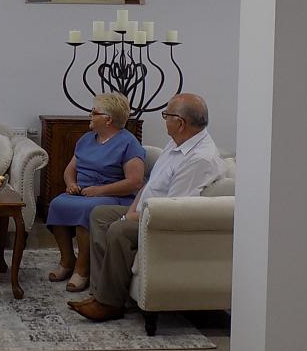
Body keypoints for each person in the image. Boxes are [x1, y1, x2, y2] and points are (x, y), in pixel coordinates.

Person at [68, 93, 227, 322]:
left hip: (163, 222)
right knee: (100, 215)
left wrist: (129, 219)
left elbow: (171, 210)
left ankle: (109, 304)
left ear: (180, 123)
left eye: (166, 115)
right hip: (146, 211)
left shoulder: (199, 159)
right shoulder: (177, 143)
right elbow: (150, 184)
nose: (164, 120)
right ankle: (101, 291)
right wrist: (131, 210)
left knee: (119, 230)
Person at [46, 93, 145, 292]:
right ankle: (67, 260)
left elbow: (134, 182)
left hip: (115, 196)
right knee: (57, 204)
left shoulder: (128, 143)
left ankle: (83, 269)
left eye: (94, 112)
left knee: (88, 210)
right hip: (83, 193)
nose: (90, 116)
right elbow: (70, 170)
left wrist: (100, 191)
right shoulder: (86, 139)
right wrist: (71, 184)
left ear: (108, 119)